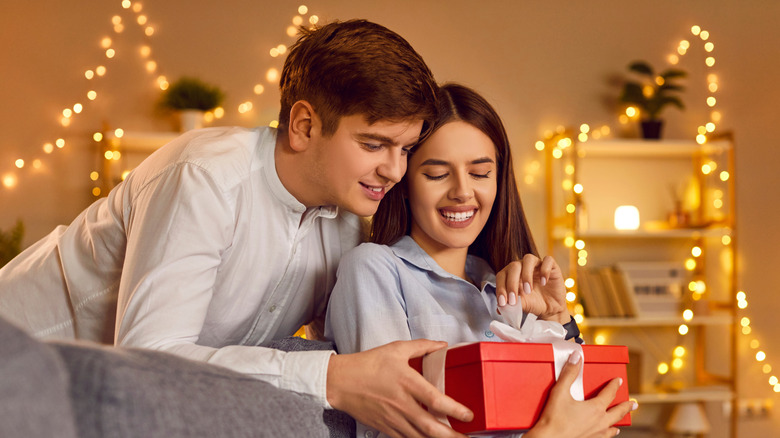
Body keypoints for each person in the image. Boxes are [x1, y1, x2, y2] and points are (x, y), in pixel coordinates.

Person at [0, 19, 475, 438]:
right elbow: (151, 358)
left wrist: (513, 294)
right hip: (19, 368)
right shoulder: (205, 178)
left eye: (406, 149)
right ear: (304, 125)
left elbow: (388, 324)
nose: (394, 170)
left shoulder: (350, 221)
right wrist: (331, 377)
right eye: (374, 144)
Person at [325, 83, 637, 437]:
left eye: (479, 173)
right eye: (437, 173)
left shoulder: (509, 285)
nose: (461, 191)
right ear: (405, 182)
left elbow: (584, 412)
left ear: (498, 182)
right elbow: (387, 430)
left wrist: (555, 318)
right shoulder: (374, 269)